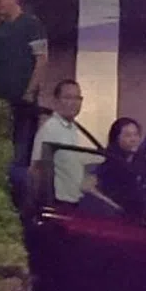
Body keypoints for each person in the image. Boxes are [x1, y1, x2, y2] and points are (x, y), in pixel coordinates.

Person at [0, 0, 48, 197]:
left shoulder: (31, 25)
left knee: (20, 155)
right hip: (0, 103)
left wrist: (29, 91)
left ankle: (19, 199)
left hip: (23, 103)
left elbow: (41, 59)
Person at [29, 79, 103, 209]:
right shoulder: (50, 129)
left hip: (74, 202)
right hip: (57, 204)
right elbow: (37, 168)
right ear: (56, 101)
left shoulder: (72, 128)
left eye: (77, 98)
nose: (73, 103)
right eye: (68, 97)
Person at [96, 117, 146, 215]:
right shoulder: (109, 165)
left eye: (136, 135)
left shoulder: (142, 160)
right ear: (116, 138)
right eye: (128, 135)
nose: (133, 139)